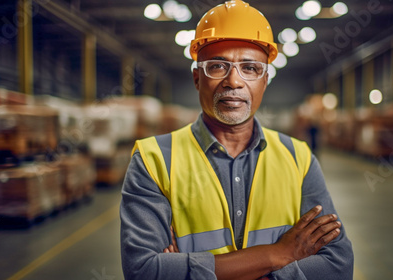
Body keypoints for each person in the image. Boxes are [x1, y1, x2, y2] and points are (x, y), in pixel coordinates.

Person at [120, 1, 354, 279]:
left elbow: (338, 265)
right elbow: (144, 271)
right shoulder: (154, 159)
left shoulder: (298, 157)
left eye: (251, 68)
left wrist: (187, 267)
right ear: (197, 78)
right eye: (217, 66)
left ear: (265, 80)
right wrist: (277, 254)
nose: (234, 81)